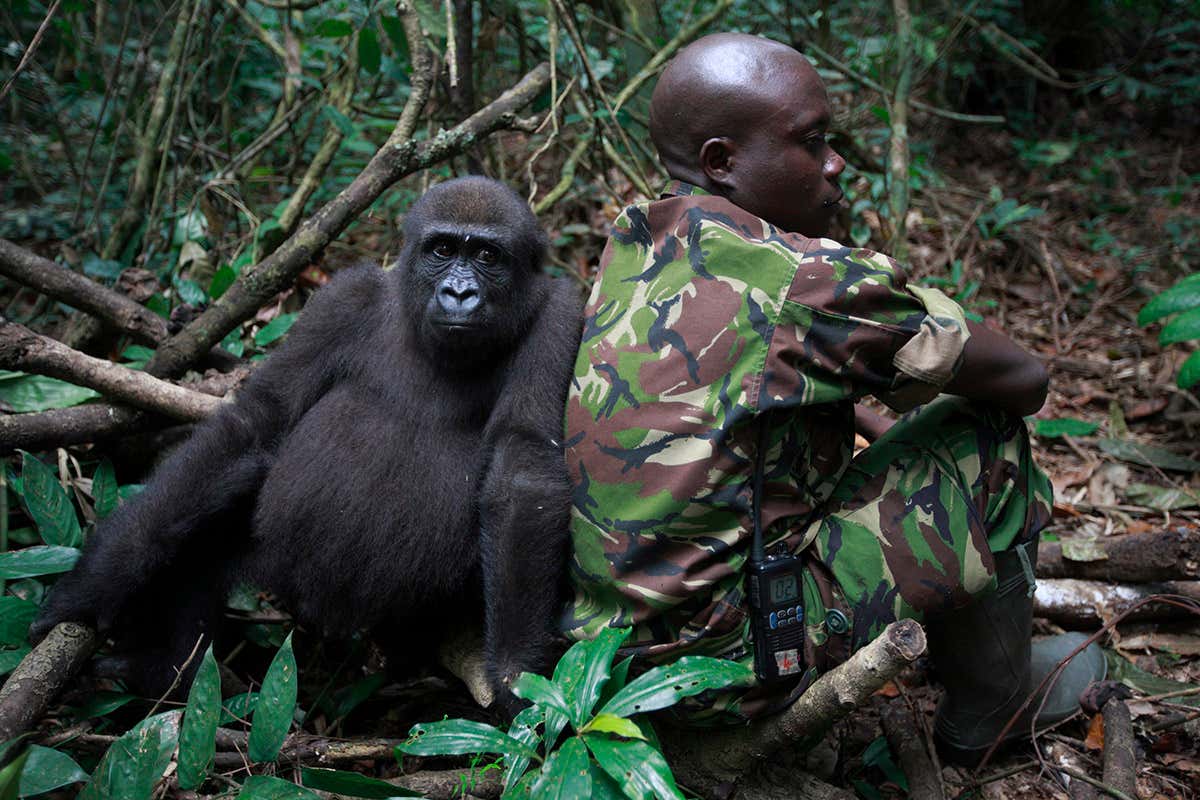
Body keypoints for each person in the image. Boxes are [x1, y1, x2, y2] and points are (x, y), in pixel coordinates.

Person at [560, 32, 1104, 765]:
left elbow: (754, 403)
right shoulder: (799, 279)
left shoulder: (634, 241)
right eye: (811, 143)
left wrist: (877, 413)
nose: (835, 163)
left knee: (890, 442)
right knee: (987, 437)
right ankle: (993, 711)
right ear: (722, 161)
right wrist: (872, 283)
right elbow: (1024, 380)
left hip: (610, 661)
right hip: (727, 669)